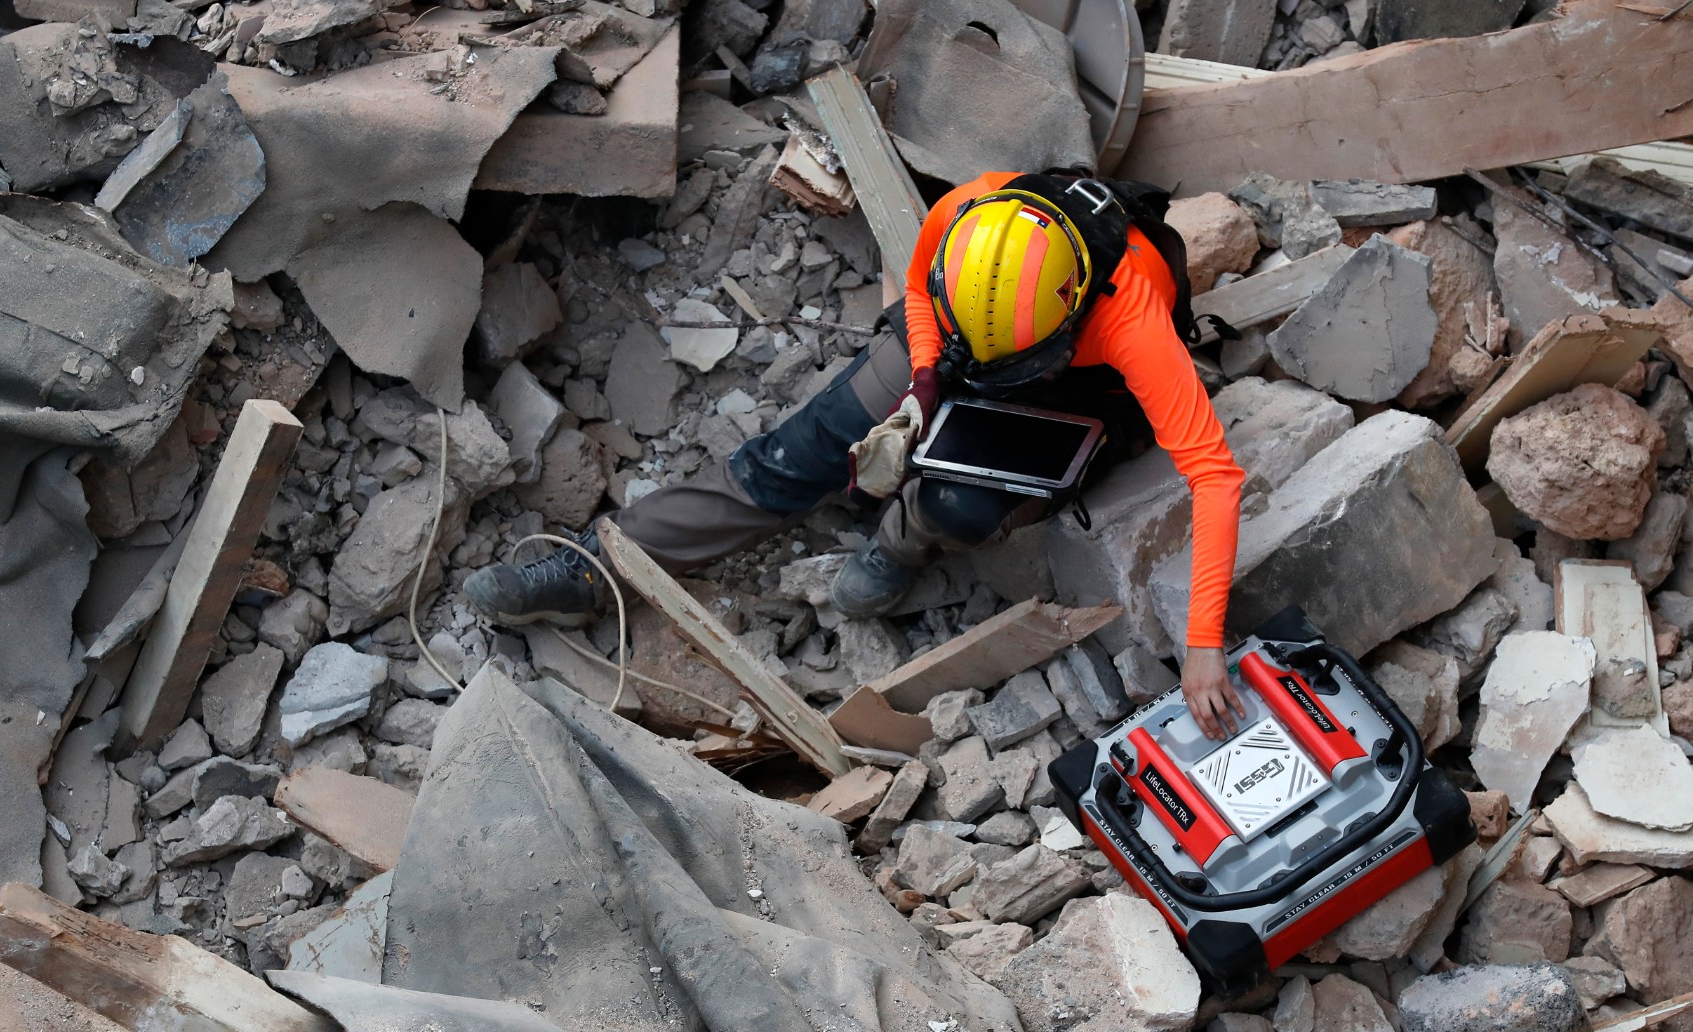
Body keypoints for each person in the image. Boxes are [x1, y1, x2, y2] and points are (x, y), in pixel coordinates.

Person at [464, 171, 1248, 738]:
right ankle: (595, 567)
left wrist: (1204, 646)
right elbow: (916, 295)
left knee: (963, 503)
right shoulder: (967, 211)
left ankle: (903, 538)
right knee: (806, 446)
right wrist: (922, 387)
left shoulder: (1129, 315)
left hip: (1069, 394)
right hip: (955, 349)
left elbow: (1214, 476)